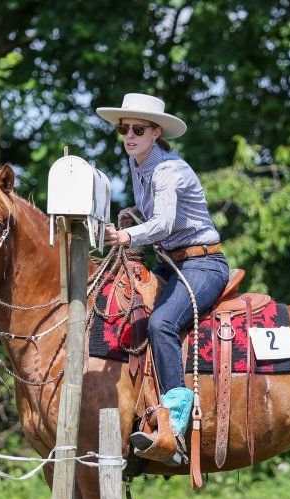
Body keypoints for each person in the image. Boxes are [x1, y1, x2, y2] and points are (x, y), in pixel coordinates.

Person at [97, 93, 229, 461]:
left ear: (156, 132)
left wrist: (126, 235)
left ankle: (175, 428)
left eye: (138, 129)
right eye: (124, 129)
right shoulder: (139, 165)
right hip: (172, 263)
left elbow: (166, 222)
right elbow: (154, 212)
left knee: (161, 325)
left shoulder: (169, 169)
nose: (129, 135)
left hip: (203, 265)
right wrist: (131, 212)